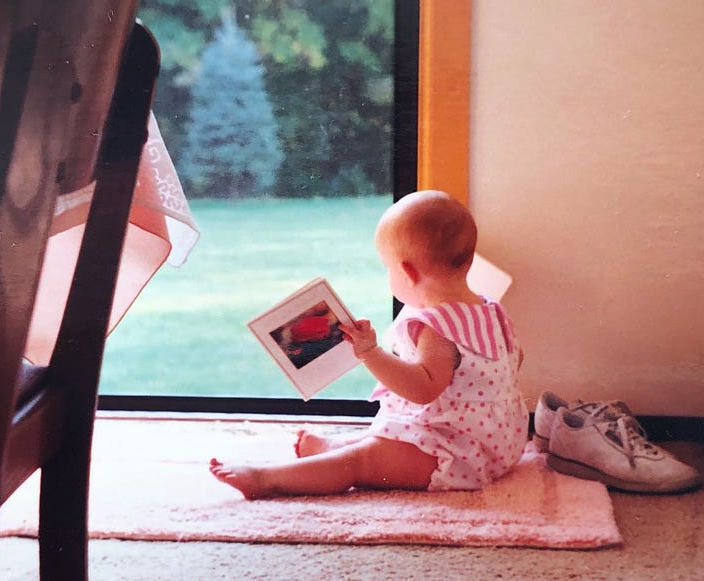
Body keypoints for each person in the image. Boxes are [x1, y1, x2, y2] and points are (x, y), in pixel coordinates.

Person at [210, 190, 526, 499]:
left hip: (459, 455)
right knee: (387, 437)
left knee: (362, 462)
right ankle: (334, 447)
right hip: (500, 442)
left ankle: (268, 479)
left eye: (387, 267)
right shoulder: (490, 310)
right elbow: (514, 360)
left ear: (406, 272)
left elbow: (423, 389)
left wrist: (370, 353)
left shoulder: (437, 326)